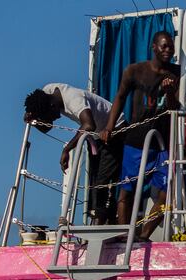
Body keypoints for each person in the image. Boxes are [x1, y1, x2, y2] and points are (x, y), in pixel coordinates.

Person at [100, 29, 181, 226]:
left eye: (170, 47)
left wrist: (170, 92)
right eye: (164, 46)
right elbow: (120, 97)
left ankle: (143, 235)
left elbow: (174, 108)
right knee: (127, 190)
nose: (167, 50)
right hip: (136, 139)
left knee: (165, 193)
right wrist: (109, 127)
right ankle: (124, 233)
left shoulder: (178, 73)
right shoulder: (134, 70)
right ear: (154, 47)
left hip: (164, 141)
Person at [23, 84, 120, 224]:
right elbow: (46, 128)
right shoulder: (47, 94)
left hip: (115, 132)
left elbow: (88, 125)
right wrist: (31, 117)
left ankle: (102, 223)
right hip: (98, 137)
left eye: (50, 116)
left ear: (52, 105)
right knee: (97, 182)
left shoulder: (73, 99)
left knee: (102, 181)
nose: (54, 119)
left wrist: (67, 149)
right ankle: (102, 220)